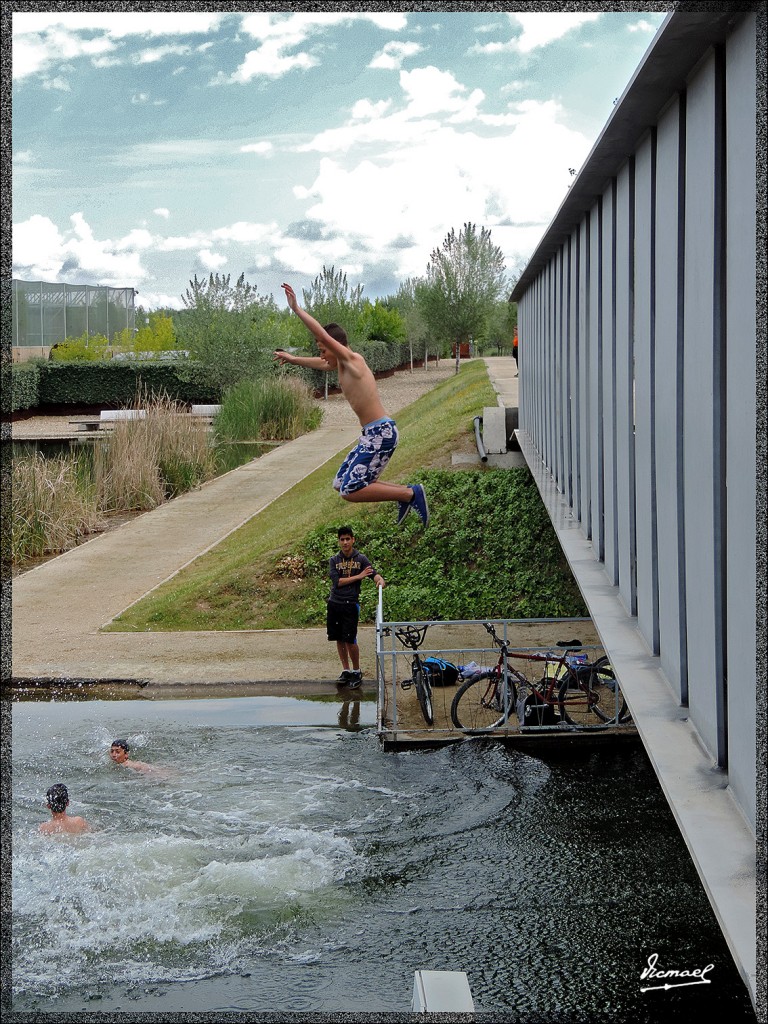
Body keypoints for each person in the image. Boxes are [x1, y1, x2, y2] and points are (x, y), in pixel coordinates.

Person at [275, 283, 429, 526]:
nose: (323, 354)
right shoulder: (339, 365)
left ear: (337, 346)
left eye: (324, 349)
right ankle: (406, 494)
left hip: (382, 433)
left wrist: (297, 310)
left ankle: (409, 494)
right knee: (340, 483)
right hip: (371, 434)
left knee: (350, 490)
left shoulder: (353, 360)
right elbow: (321, 363)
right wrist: (293, 359)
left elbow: (324, 337)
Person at [327, 526, 384, 688]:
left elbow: (373, 573)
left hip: (350, 604)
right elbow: (337, 582)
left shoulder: (361, 559)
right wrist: (359, 576)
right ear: (339, 541)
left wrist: (379, 580)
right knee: (339, 638)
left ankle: (357, 671)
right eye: (342, 539)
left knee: (350, 639)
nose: (345, 542)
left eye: (347, 539)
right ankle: (346, 670)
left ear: (353, 540)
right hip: (334, 603)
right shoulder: (334, 560)